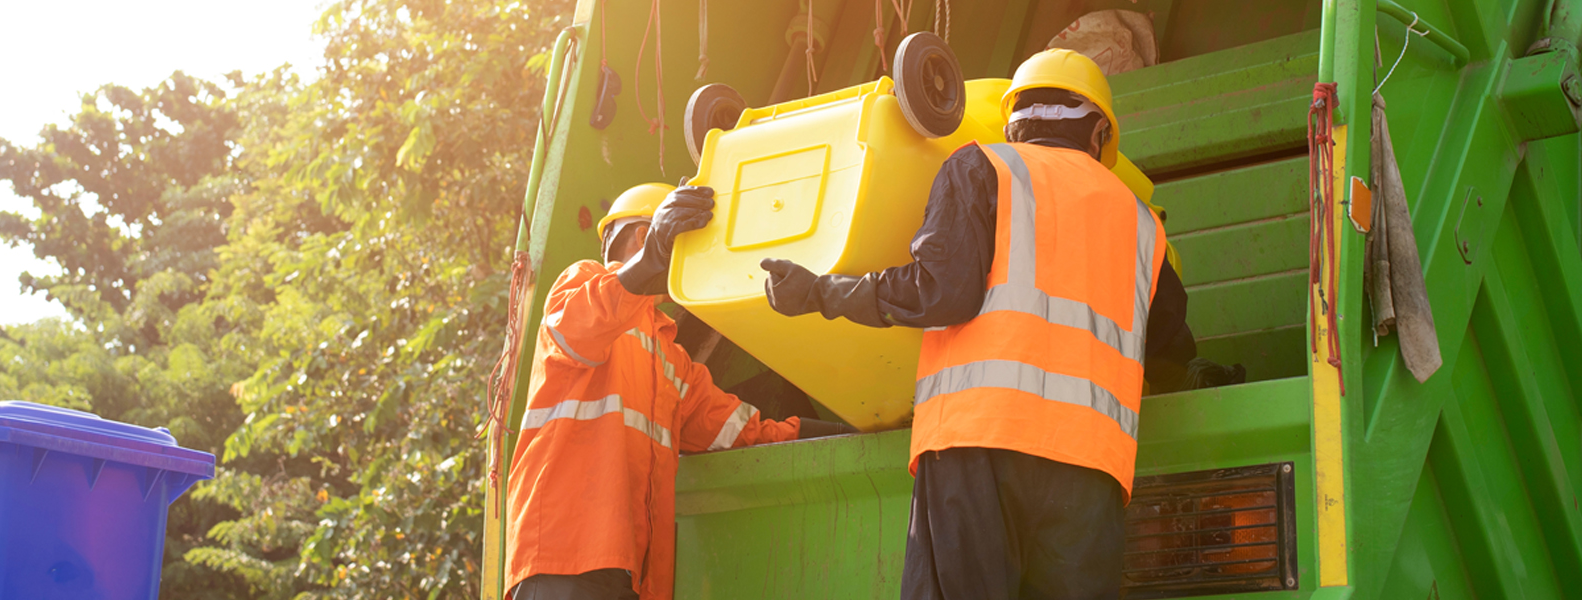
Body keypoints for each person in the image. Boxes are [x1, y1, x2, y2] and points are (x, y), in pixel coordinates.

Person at [760, 49, 1199, 599]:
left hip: (977, 448)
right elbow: (1169, 347)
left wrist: (818, 291)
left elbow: (939, 292)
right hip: (1089, 471)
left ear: (1015, 122)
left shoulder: (982, 168)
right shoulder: (1143, 226)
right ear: (1098, 135)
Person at [503, 183, 858, 600]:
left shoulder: (669, 358)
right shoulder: (581, 284)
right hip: (565, 557)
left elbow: (744, 431)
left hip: (630, 573)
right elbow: (580, 326)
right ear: (645, 237)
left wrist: (850, 430)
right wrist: (650, 259)